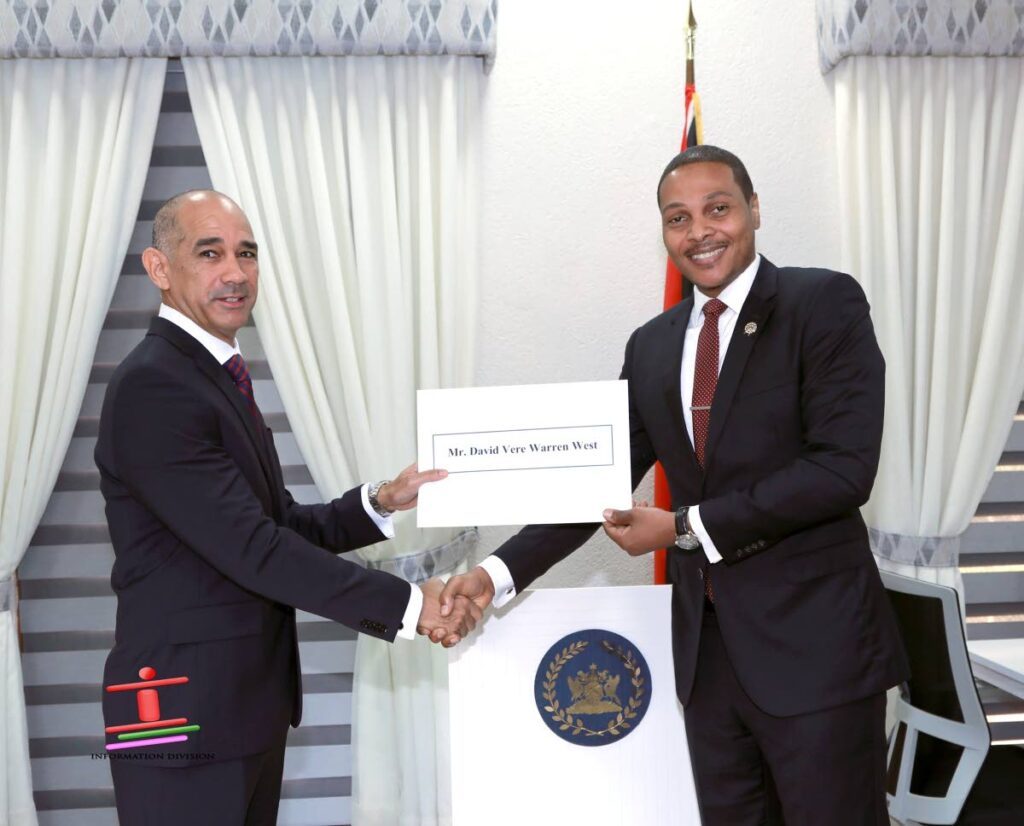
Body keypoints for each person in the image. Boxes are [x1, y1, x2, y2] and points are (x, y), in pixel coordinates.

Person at [440, 145, 909, 825]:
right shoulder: (651, 345)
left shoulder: (821, 303)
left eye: (717, 208)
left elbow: (841, 470)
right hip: (708, 660)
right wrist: (493, 576)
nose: (699, 232)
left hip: (819, 656)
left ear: (753, 210)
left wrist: (686, 526)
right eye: (677, 218)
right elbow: (594, 484)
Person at [94, 189, 475, 825]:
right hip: (179, 712)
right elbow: (254, 548)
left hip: (240, 708)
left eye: (247, 254)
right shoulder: (154, 384)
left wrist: (377, 501)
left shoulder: (212, 375)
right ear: (159, 268)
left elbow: (273, 524)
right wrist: (409, 606)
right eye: (209, 253)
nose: (236, 273)